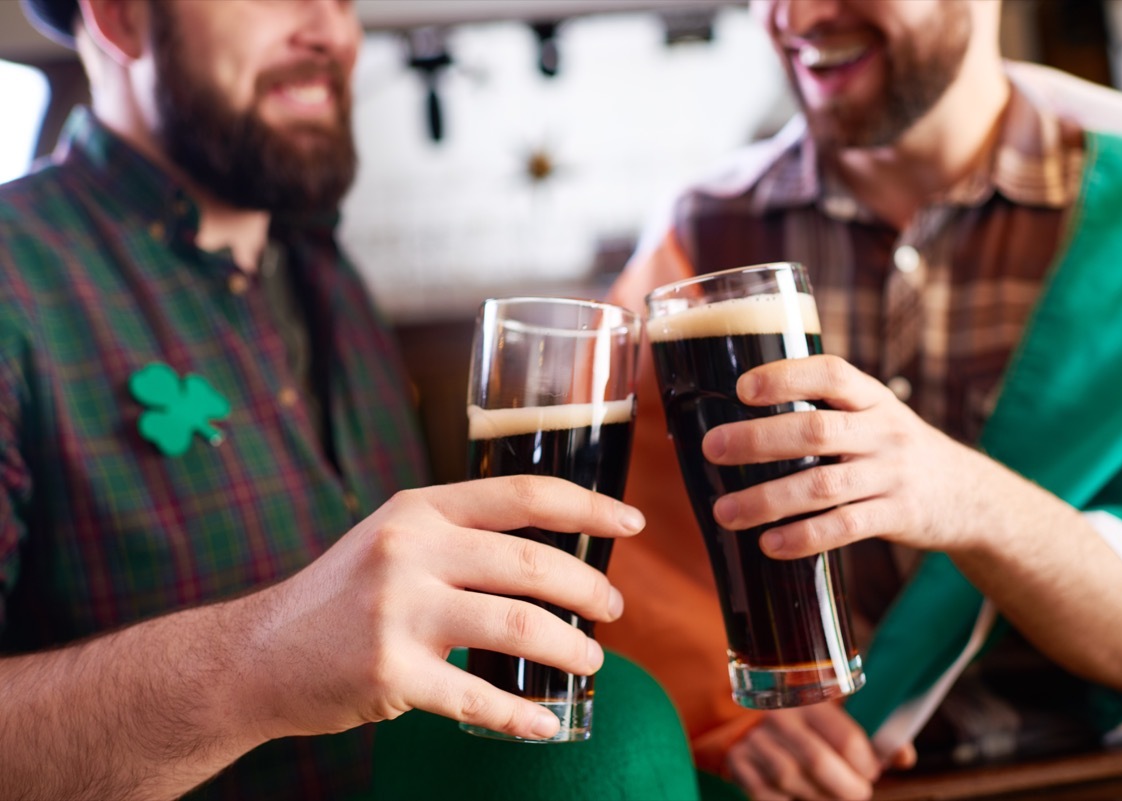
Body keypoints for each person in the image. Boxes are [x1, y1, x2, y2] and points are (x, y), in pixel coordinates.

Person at [0, 1, 701, 799]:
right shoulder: (14, 280)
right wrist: (256, 663)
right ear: (122, 18)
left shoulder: (327, 274)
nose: (331, 30)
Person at [599, 1, 1122, 799]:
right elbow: (635, 573)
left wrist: (968, 499)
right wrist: (730, 717)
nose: (800, 15)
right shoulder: (697, 240)